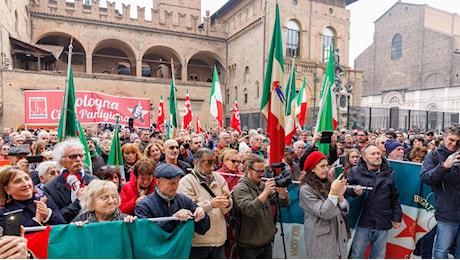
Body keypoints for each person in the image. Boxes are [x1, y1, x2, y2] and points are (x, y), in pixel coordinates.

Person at [346, 144, 402, 259]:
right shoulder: (355, 172)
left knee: (379, 255)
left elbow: (394, 196)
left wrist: (397, 216)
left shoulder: (388, 172)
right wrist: (355, 192)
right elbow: (345, 192)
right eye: (373, 154)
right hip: (363, 220)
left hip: (382, 219)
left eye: (378, 153)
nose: (377, 156)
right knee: (357, 254)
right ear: (365, 158)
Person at [232, 154, 290, 258]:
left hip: (266, 241)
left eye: (263, 171)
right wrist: (266, 192)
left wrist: (283, 193)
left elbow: (282, 203)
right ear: (248, 169)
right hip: (249, 245)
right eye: (258, 171)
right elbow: (248, 209)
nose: (262, 174)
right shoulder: (240, 188)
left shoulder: (262, 185)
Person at [177, 148, 232, 258]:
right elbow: (188, 209)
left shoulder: (219, 179)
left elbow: (227, 206)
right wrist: (210, 204)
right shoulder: (186, 182)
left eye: (214, 163)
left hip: (219, 240)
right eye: (208, 164)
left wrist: (227, 203)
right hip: (199, 242)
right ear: (197, 162)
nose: (212, 168)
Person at [299, 151, 349, 258]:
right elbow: (324, 212)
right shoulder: (305, 189)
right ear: (312, 168)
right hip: (320, 238)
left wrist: (340, 197)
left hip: (338, 235)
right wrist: (334, 192)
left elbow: (345, 209)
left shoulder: (329, 182)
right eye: (322, 166)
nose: (326, 169)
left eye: (327, 165)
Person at [134, 163, 210, 234]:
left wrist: (202, 216)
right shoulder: (144, 206)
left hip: (181, 247)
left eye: (177, 182)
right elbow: (147, 233)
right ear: (158, 182)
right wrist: (173, 219)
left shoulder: (184, 200)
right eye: (171, 183)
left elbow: (202, 230)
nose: (175, 187)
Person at [420, 125, 460, 258]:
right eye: (451, 140)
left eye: (458, 141)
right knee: (441, 250)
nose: (454, 144)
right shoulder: (434, 156)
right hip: (447, 212)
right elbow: (425, 177)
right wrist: (444, 167)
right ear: (444, 137)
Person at [43, 138, 98, 223]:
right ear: (61, 161)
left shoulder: (94, 181)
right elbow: (56, 218)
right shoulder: (50, 188)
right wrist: (78, 202)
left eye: (81, 155)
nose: (78, 159)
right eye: (73, 156)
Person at [0, 166, 66, 227]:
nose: (25, 184)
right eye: (18, 181)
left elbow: (63, 227)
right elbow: (15, 236)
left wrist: (48, 214)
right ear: (6, 189)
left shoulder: (45, 201)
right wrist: (37, 220)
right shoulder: (4, 212)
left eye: (27, 179)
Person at [72, 180, 137, 224]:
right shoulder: (81, 220)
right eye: (104, 198)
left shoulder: (126, 221)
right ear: (91, 201)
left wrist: (133, 225)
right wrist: (74, 230)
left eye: (114, 197)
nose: (111, 201)